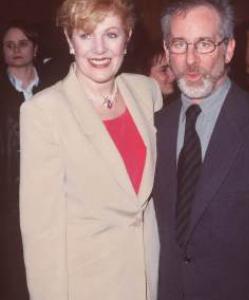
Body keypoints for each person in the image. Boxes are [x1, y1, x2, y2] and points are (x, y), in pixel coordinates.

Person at [153, 1, 249, 300]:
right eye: (180, 44)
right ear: (167, 52)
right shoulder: (155, 127)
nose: (191, 60)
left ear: (229, 49)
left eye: (204, 44)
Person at [19, 1, 162, 300]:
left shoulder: (146, 92)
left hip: (151, 279)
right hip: (89, 286)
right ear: (70, 41)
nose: (99, 49)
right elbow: (42, 233)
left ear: (128, 37)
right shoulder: (44, 112)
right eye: (86, 35)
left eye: (111, 34)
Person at [0, 20, 53, 300]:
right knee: (12, 273)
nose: (16, 50)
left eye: (22, 44)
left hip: (50, 197)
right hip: (8, 200)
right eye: (9, 45)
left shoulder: (54, 86)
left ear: (35, 48)